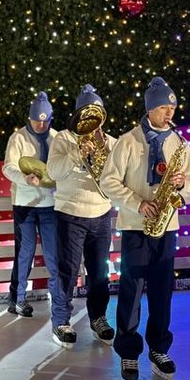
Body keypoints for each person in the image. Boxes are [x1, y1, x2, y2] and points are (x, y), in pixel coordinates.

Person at [101, 77, 190, 380]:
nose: (170, 113)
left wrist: (182, 185)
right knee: (131, 290)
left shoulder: (179, 143)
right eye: (164, 107)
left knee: (162, 290)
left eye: (172, 108)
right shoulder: (128, 141)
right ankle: (128, 350)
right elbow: (108, 181)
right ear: (149, 108)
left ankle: (159, 348)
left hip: (167, 226)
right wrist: (138, 204)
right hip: (136, 225)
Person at [45, 84, 117, 348]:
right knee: (67, 271)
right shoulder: (63, 139)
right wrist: (78, 153)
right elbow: (53, 172)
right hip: (70, 215)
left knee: (99, 273)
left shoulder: (112, 142)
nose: (92, 119)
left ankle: (98, 318)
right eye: (87, 113)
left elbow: (119, 177)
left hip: (102, 214)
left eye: (97, 113)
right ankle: (61, 321)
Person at [0, 91, 59, 318]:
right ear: (30, 118)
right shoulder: (18, 138)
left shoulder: (57, 138)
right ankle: (17, 299)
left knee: (53, 253)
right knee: (25, 252)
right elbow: (8, 167)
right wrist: (24, 178)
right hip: (25, 203)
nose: (41, 125)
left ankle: (58, 298)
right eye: (37, 120)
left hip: (50, 204)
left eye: (45, 121)